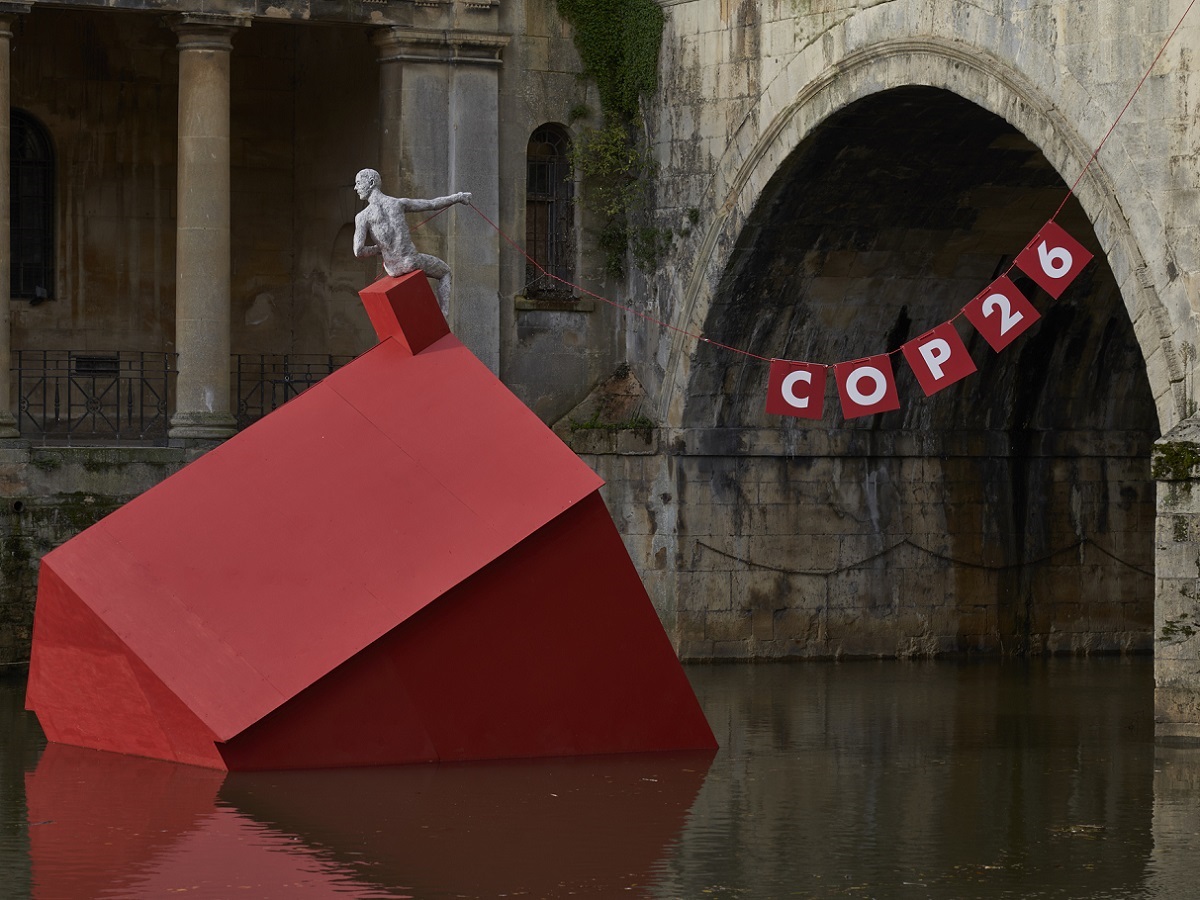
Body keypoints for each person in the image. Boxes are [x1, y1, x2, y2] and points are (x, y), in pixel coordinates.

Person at [353, 168, 472, 315]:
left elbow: (358, 251)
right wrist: (459, 197)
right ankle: (444, 312)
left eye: (358, 183)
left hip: (393, 269)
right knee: (446, 271)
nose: (355, 188)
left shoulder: (362, 217)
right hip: (411, 262)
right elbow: (433, 204)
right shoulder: (398, 203)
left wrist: (379, 249)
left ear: (371, 183)